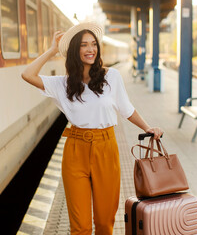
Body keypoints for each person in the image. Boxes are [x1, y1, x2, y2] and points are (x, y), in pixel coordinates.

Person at [21, 22, 164, 235]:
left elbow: (127, 110)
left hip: (106, 149)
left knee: (105, 223)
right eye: (84, 45)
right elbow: (27, 74)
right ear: (74, 51)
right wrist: (52, 50)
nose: (90, 49)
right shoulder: (63, 84)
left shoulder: (111, 77)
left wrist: (147, 127)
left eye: (93, 44)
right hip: (75, 150)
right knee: (80, 227)